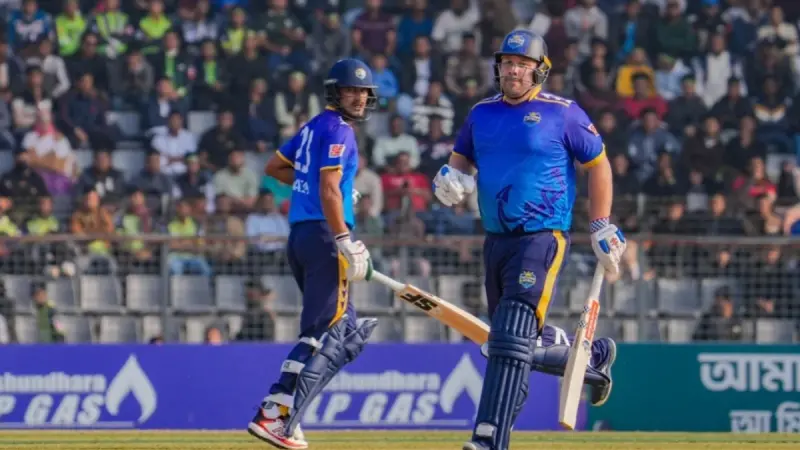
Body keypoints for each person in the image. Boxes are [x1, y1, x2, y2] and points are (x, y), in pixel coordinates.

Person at [432, 30, 627, 450]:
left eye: (522, 64)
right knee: (509, 344)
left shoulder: (563, 113)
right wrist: (451, 178)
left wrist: (600, 224)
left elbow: (599, 164)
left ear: (539, 71)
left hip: (542, 237)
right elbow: (461, 158)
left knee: (507, 340)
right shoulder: (481, 113)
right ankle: (587, 358)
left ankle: (488, 439)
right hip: (495, 241)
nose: (513, 71)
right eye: (507, 63)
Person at [247, 58, 378, 450]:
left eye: (363, 91)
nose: (358, 97)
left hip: (302, 236)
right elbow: (328, 189)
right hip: (324, 237)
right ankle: (275, 412)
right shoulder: (340, 130)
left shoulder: (311, 127)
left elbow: (276, 167)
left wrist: (329, 186)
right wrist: (343, 237)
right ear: (335, 92)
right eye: (351, 90)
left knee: (345, 333)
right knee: (323, 332)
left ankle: (293, 414)